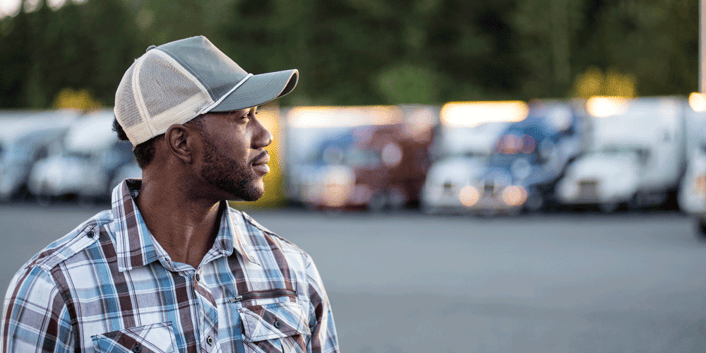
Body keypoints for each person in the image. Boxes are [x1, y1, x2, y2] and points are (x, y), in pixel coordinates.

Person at [1, 36, 339, 353]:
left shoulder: (290, 268)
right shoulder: (54, 287)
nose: (264, 135)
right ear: (181, 142)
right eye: (243, 118)